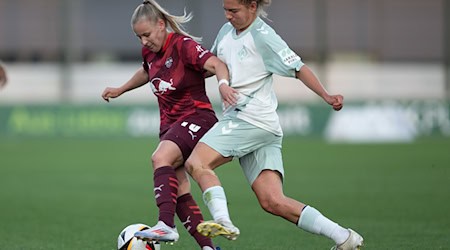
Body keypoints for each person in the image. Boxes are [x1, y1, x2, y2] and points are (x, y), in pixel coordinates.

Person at [183, 0, 364, 249]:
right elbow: (211, 66)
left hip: (249, 119)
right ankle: (344, 237)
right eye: (225, 9)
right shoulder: (226, 32)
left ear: (252, 7)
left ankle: (223, 220)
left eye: (233, 11)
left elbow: (298, 68)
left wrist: (326, 95)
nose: (227, 16)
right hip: (261, 128)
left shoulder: (264, 37)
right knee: (273, 201)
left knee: (196, 162)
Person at [101, 1, 233, 249]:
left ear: (161, 25)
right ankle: (209, 247)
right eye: (138, 37)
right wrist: (120, 89)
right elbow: (146, 72)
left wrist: (224, 85)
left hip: (197, 117)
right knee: (179, 190)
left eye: (147, 34)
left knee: (159, 158)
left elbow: (216, 64)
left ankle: (166, 225)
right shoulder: (149, 52)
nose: (143, 41)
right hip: (170, 126)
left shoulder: (183, 46)